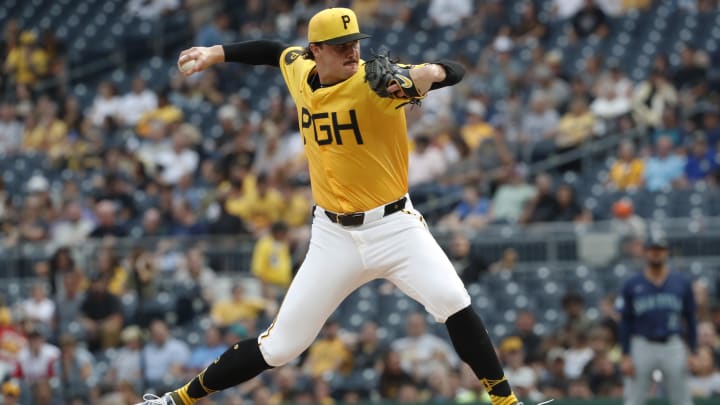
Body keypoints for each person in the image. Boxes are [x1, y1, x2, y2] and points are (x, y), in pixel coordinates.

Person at [138, 7, 538, 405]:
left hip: (394, 226)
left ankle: (506, 402)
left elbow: (453, 71)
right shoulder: (300, 71)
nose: (353, 52)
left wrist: (429, 72)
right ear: (316, 51)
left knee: (453, 301)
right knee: (280, 348)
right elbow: (274, 50)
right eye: (341, 46)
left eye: (355, 44)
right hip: (333, 236)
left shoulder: (376, 82)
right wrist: (216, 53)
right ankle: (177, 400)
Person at [617, 234, 697, 405]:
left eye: (660, 250)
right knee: (633, 400)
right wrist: (625, 354)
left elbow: (690, 318)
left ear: (666, 252)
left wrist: (694, 351)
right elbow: (625, 321)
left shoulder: (681, 282)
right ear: (645, 252)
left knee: (682, 400)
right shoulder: (632, 283)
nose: (656, 254)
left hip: (673, 344)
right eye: (652, 250)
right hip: (642, 344)